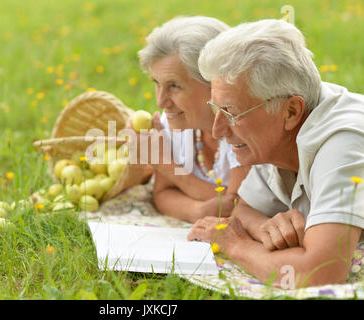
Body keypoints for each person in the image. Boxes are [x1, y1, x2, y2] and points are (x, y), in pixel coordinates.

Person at [188, 19, 364, 288]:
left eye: (231, 113)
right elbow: (243, 208)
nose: (217, 130)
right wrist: (264, 226)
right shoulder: (271, 133)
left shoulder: (344, 141)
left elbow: (321, 274)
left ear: (291, 111)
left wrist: (235, 246)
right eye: (216, 109)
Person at [130, 16, 250, 223]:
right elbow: (162, 194)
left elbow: (239, 206)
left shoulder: (244, 128)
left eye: (174, 86)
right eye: (157, 83)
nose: (160, 102)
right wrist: (200, 211)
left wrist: (166, 165)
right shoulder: (178, 123)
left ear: (215, 83)